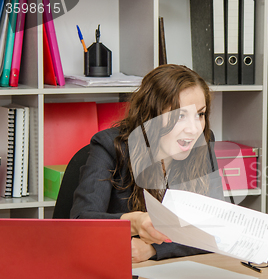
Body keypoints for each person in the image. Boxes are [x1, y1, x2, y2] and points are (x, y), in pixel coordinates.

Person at [70, 64, 223, 263]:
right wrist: (133, 223)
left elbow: (217, 228)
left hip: (178, 273)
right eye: (180, 116)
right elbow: (79, 223)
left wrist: (153, 249)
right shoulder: (109, 147)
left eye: (200, 115)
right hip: (118, 271)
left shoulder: (203, 143)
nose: (194, 130)